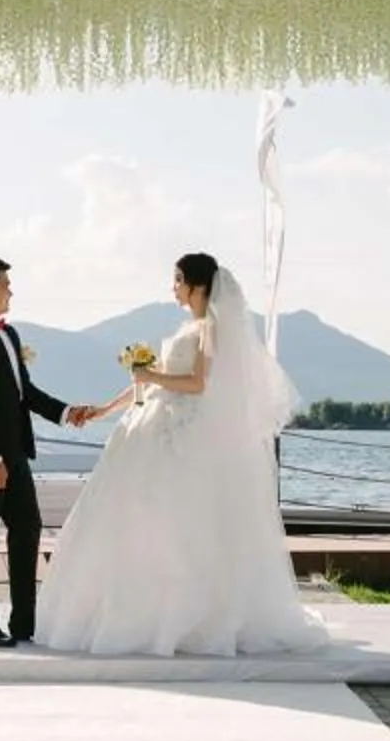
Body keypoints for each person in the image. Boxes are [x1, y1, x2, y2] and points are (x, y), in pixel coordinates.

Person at [35, 252, 327, 657]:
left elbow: (197, 383)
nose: (173, 288)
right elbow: (152, 383)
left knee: (178, 526)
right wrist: (105, 408)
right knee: (139, 519)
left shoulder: (211, 327)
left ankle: (181, 619)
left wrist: (150, 375)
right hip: (155, 427)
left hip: (183, 437)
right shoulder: (190, 327)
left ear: (196, 284)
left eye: (177, 280)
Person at [0, 256, 97, 647]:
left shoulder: (9, 335)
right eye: (5, 284)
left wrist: (67, 412)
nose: (11, 290)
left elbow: (23, 394)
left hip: (16, 452)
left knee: (27, 531)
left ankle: (24, 623)